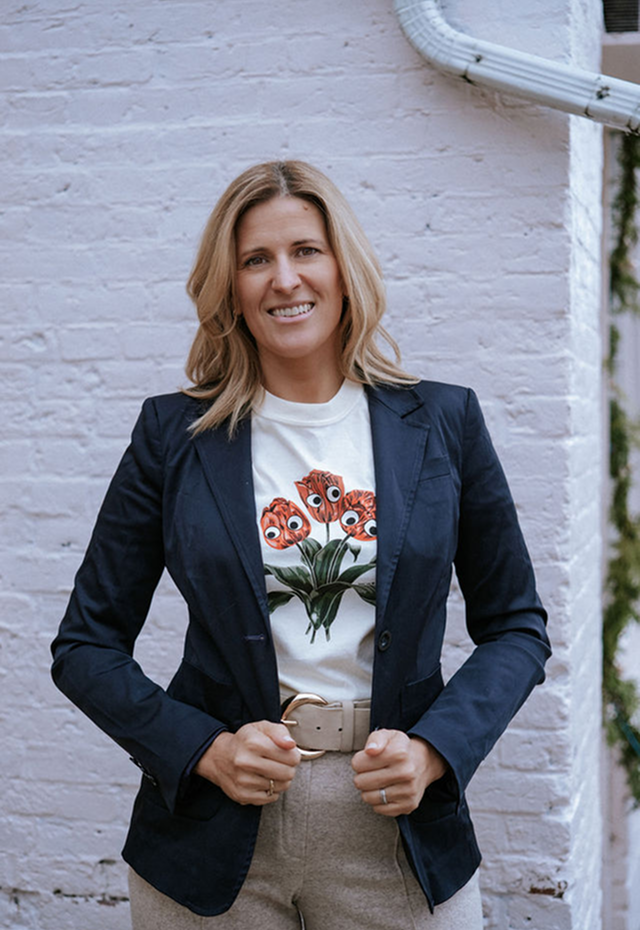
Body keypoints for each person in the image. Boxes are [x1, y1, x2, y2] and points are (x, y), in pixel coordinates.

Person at [51, 160, 551, 930]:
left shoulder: (444, 423)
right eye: (256, 260)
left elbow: (516, 626)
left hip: (397, 829)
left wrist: (436, 750)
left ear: (343, 268)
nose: (284, 279)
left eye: (306, 251)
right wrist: (202, 749)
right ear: (231, 287)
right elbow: (85, 646)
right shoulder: (173, 437)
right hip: (213, 845)